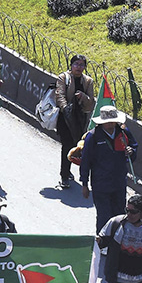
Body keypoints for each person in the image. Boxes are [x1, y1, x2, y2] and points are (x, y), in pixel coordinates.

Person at [81, 107, 139, 234]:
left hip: (119, 182)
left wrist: (131, 151)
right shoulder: (93, 136)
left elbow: (134, 147)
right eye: (108, 122)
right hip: (101, 184)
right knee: (104, 216)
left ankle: (116, 242)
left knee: (119, 214)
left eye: (113, 121)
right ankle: (101, 243)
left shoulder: (123, 133)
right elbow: (85, 161)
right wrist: (84, 183)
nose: (111, 124)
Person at [56, 54, 95, 189]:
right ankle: (64, 175)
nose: (78, 67)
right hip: (65, 118)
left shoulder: (88, 81)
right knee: (67, 144)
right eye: (76, 64)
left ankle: (69, 167)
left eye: (81, 65)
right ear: (71, 65)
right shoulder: (63, 78)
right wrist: (66, 109)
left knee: (77, 145)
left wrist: (83, 97)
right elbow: (59, 95)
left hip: (80, 119)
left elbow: (91, 103)